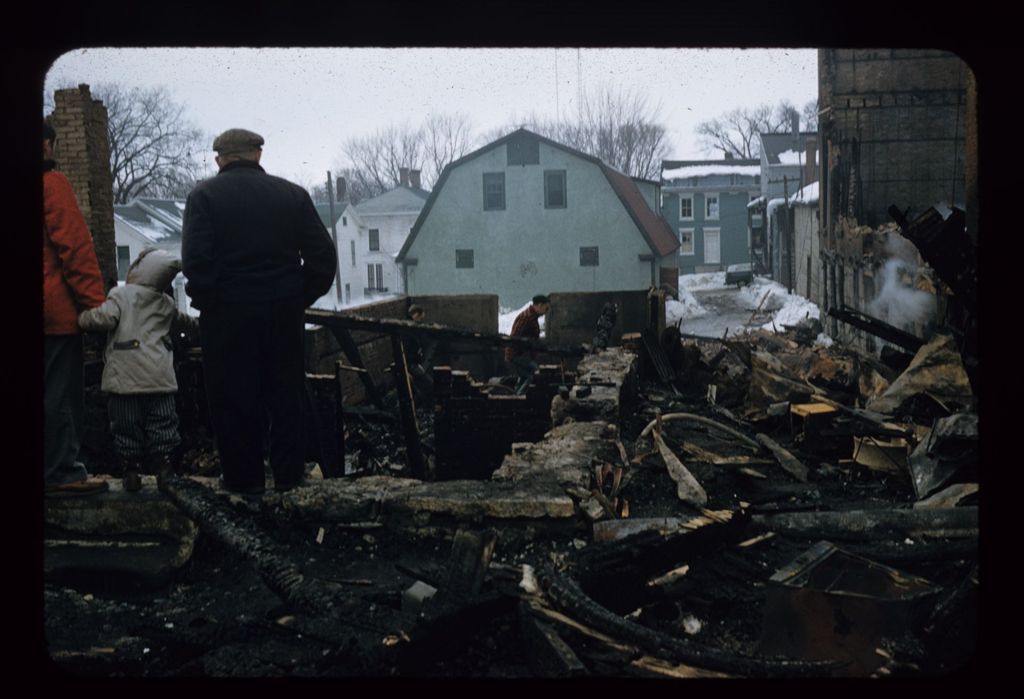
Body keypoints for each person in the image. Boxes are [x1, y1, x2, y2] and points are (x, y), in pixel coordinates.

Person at [181, 128, 337, 495]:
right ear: (257, 154)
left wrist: (213, 303)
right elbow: (323, 259)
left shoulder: (203, 197)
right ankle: (288, 478)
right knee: (286, 395)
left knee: (233, 400)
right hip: (282, 313)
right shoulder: (292, 195)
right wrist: (297, 297)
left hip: (227, 318)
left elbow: (197, 264)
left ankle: (243, 483)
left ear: (220, 159)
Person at [78, 248, 198, 491]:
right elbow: (185, 322)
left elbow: (105, 319)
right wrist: (202, 327)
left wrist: (81, 318)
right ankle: (164, 468)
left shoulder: (121, 296)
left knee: (125, 424)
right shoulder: (165, 303)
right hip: (159, 377)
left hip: (125, 377)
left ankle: (131, 469)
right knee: (163, 422)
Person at [43, 121, 110, 497]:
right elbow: (76, 251)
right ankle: (62, 473)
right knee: (59, 394)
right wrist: (95, 308)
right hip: (52, 316)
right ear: (47, 145)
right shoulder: (51, 185)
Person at [505, 294, 551, 395]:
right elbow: (515, 338)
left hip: (521, 354)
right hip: (517, 355)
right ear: (539, 305)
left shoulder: (531, 317)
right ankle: (519, 397)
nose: (546, 312)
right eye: (546, 308)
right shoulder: (526, 317)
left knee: (524, 376)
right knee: (534, 373)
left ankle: (516, 396)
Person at [403, 304, 434, 401]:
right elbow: (403, 350)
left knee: (424, 386)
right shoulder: (407, 330)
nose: (420, 321)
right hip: (410, 365)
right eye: (420, 319)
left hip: (413, 364)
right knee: (429, 385)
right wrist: (406, 371)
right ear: (416, 315)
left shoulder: (409, 328)